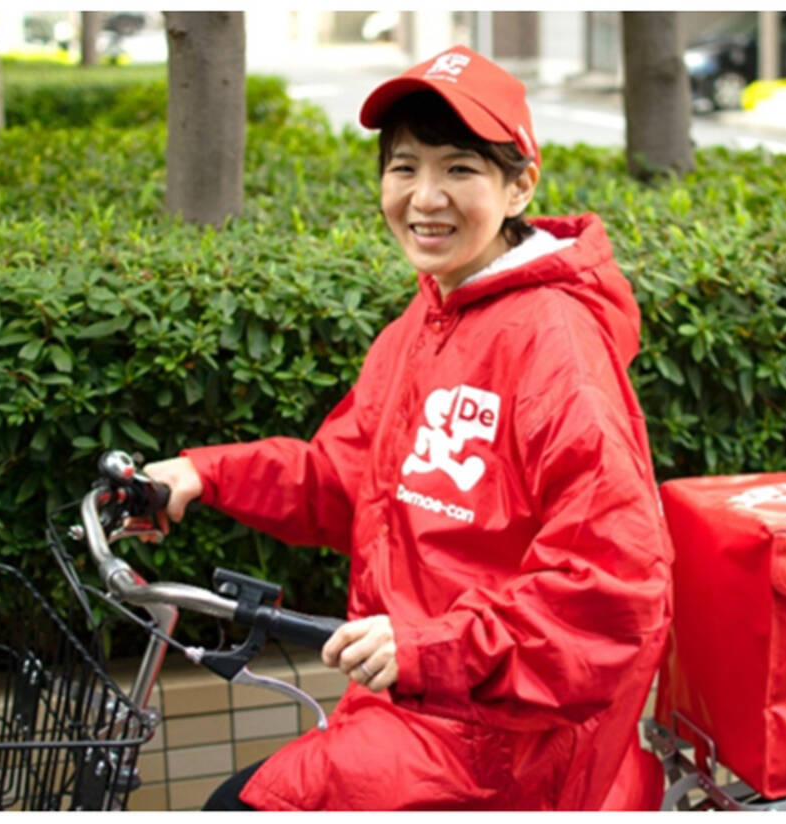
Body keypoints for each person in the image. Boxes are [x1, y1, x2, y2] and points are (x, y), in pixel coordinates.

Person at [144, 44, 673, 811]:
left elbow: (615, 586)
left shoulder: (552, 342)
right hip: (417, 710)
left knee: (241, 806)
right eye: (404, 168)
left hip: (502, 743)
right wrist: (204, 474)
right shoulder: (428, 320)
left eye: (459, 168)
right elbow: (346, 480)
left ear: (520, 186)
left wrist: (429, 646)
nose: (426, 197)